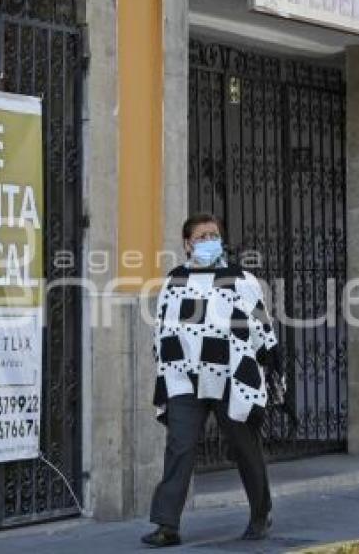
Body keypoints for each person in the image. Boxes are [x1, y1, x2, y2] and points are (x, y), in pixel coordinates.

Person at [141, 213, 286, 547]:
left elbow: (260, 323)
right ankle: (167, 525)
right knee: (179, 447)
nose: (209, 240)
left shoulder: (240, 279)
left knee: (244, 446)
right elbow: (165, 328)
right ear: (187, 243)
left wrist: (264, 358)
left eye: (214, 234)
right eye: (202, 235)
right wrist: (169, 364)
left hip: (231, 378)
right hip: (184, 379)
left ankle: (261, 515)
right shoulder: (174, 281)